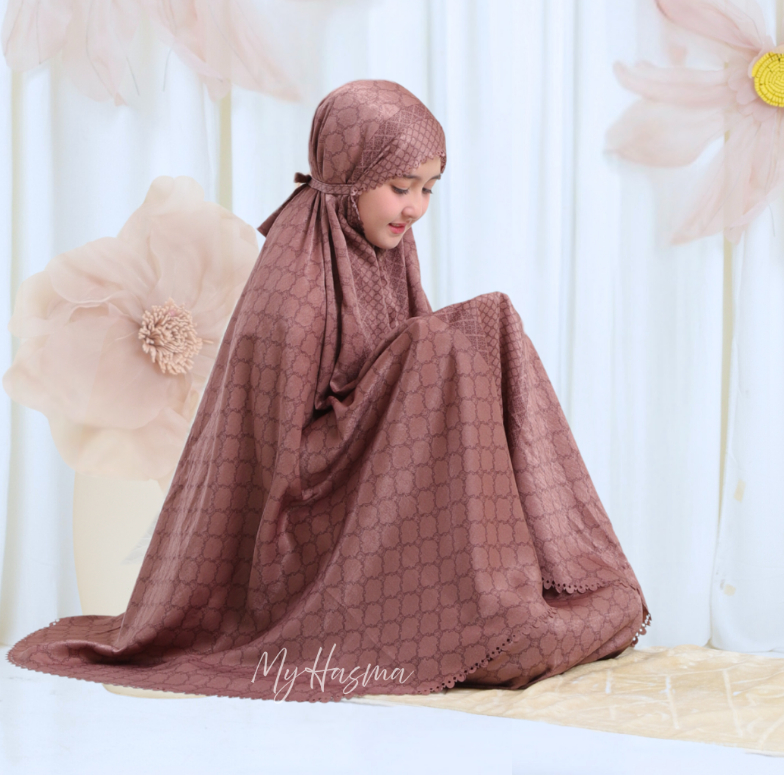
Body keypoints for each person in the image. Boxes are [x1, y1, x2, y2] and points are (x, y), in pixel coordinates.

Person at [9, 80, 649, 701]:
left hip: (365, 472)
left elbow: (406, 382)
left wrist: (412, 374)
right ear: (349, 176)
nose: (415, 208)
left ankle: (526, 579)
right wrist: (413, 373)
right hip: (304, 513)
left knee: (487, 323)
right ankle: (495, 602)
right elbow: (277, 467)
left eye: (428, 189)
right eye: (401, 186)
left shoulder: (383, 249)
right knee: (445, 344)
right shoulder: (292, 289)